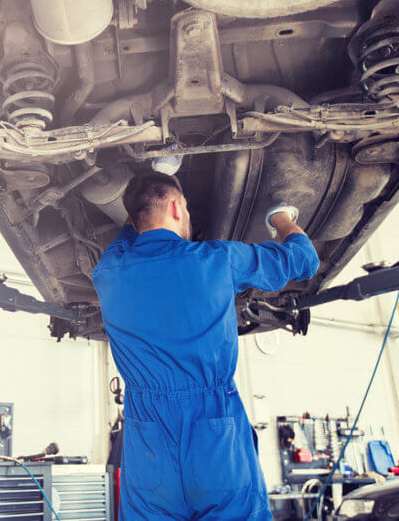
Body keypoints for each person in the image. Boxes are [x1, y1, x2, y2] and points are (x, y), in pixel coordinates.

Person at [91, 173, 320, 520]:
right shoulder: (216, 259)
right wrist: (281, 218)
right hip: (214, 431)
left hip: (148, 439)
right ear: (175, 207)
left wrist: (138, 216)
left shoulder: (108, 270)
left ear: (134, 221)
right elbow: (304, 260)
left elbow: (127, 235)